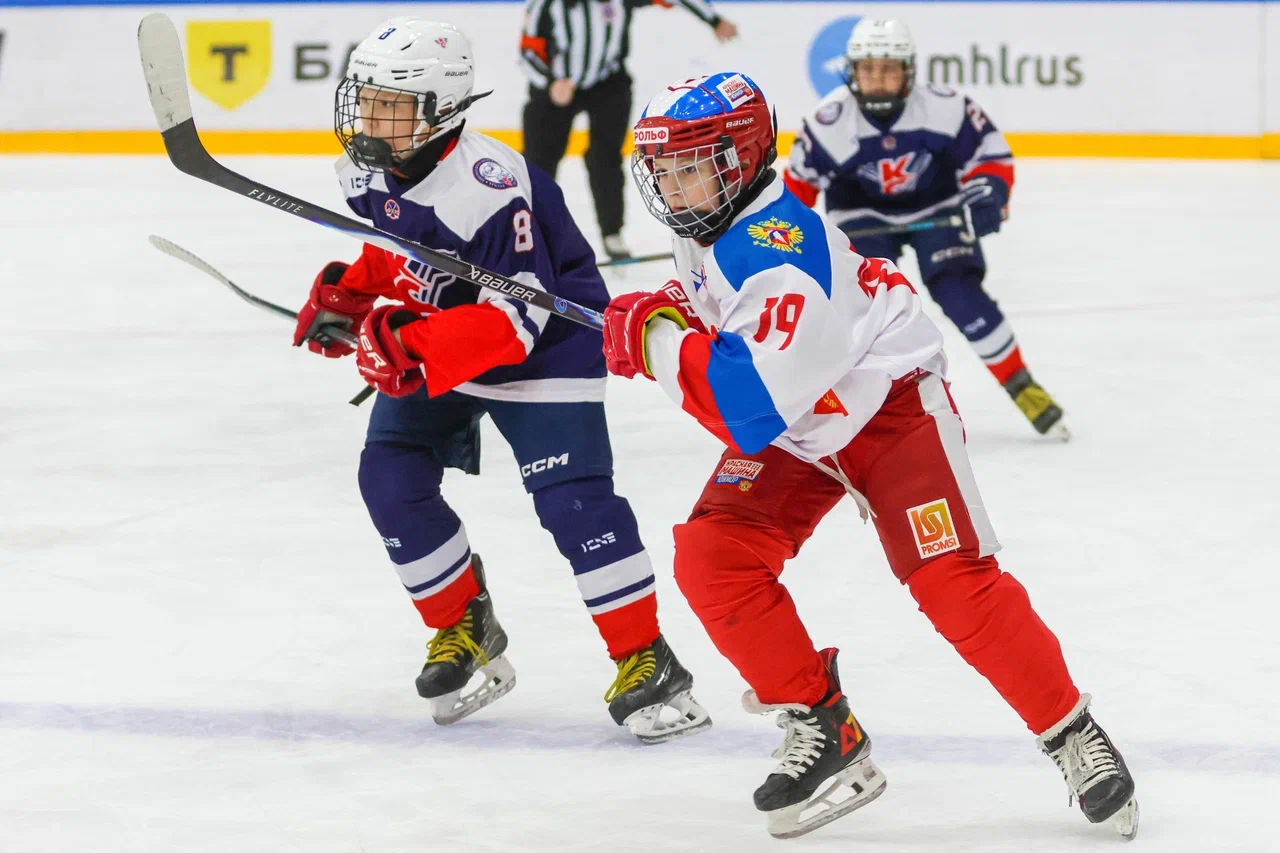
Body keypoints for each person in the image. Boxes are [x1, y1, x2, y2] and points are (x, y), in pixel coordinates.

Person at [602, 71, 1137, 837]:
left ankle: (1071, 730)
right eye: (664, 168)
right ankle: (826, 728)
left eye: (693, 164)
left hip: (887, 411)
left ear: (743, 156)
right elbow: (722, 325)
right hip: (804, 422)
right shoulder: (710, 224)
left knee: (953, 583)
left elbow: (745, 409)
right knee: (715, 556)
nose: (675, 185)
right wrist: (666, 313)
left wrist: (656, 341)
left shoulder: (780, 251)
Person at [292, 17, 710, 743]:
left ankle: (647, 656)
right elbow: (402, 247)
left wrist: (407, 343)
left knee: (574, 505)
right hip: (448, 340)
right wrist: (351, 295)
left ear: (441, 108)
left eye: (391, 105)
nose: (370, 118)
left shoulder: (490, 188)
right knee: (387, 476)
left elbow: (515, 320)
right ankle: (464, 624)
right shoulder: (370, 168)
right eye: (367, 100)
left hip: (547, 347)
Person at [785, 18, 1068, 439]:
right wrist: (787, 238)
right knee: (865, 313)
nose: (878, 80)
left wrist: (991, 190)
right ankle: (864, 407)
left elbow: (990, 155)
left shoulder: (945, 106)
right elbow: (795, 192)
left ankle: (1020, 384)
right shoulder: (826, 123)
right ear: (853, 72)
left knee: (959, 292)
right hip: (861, 217)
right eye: (869, 69)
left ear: (908, 72)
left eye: (889, 69)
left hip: (936, 207)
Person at [518, 0, 738, 260]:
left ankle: (612, 232)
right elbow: (528, 52)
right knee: (539, 161)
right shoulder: (545, 6)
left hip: (607, 83)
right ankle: (527, 230)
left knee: (606, 159)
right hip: (556, 87)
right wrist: (550, 83)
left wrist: (713, 19)